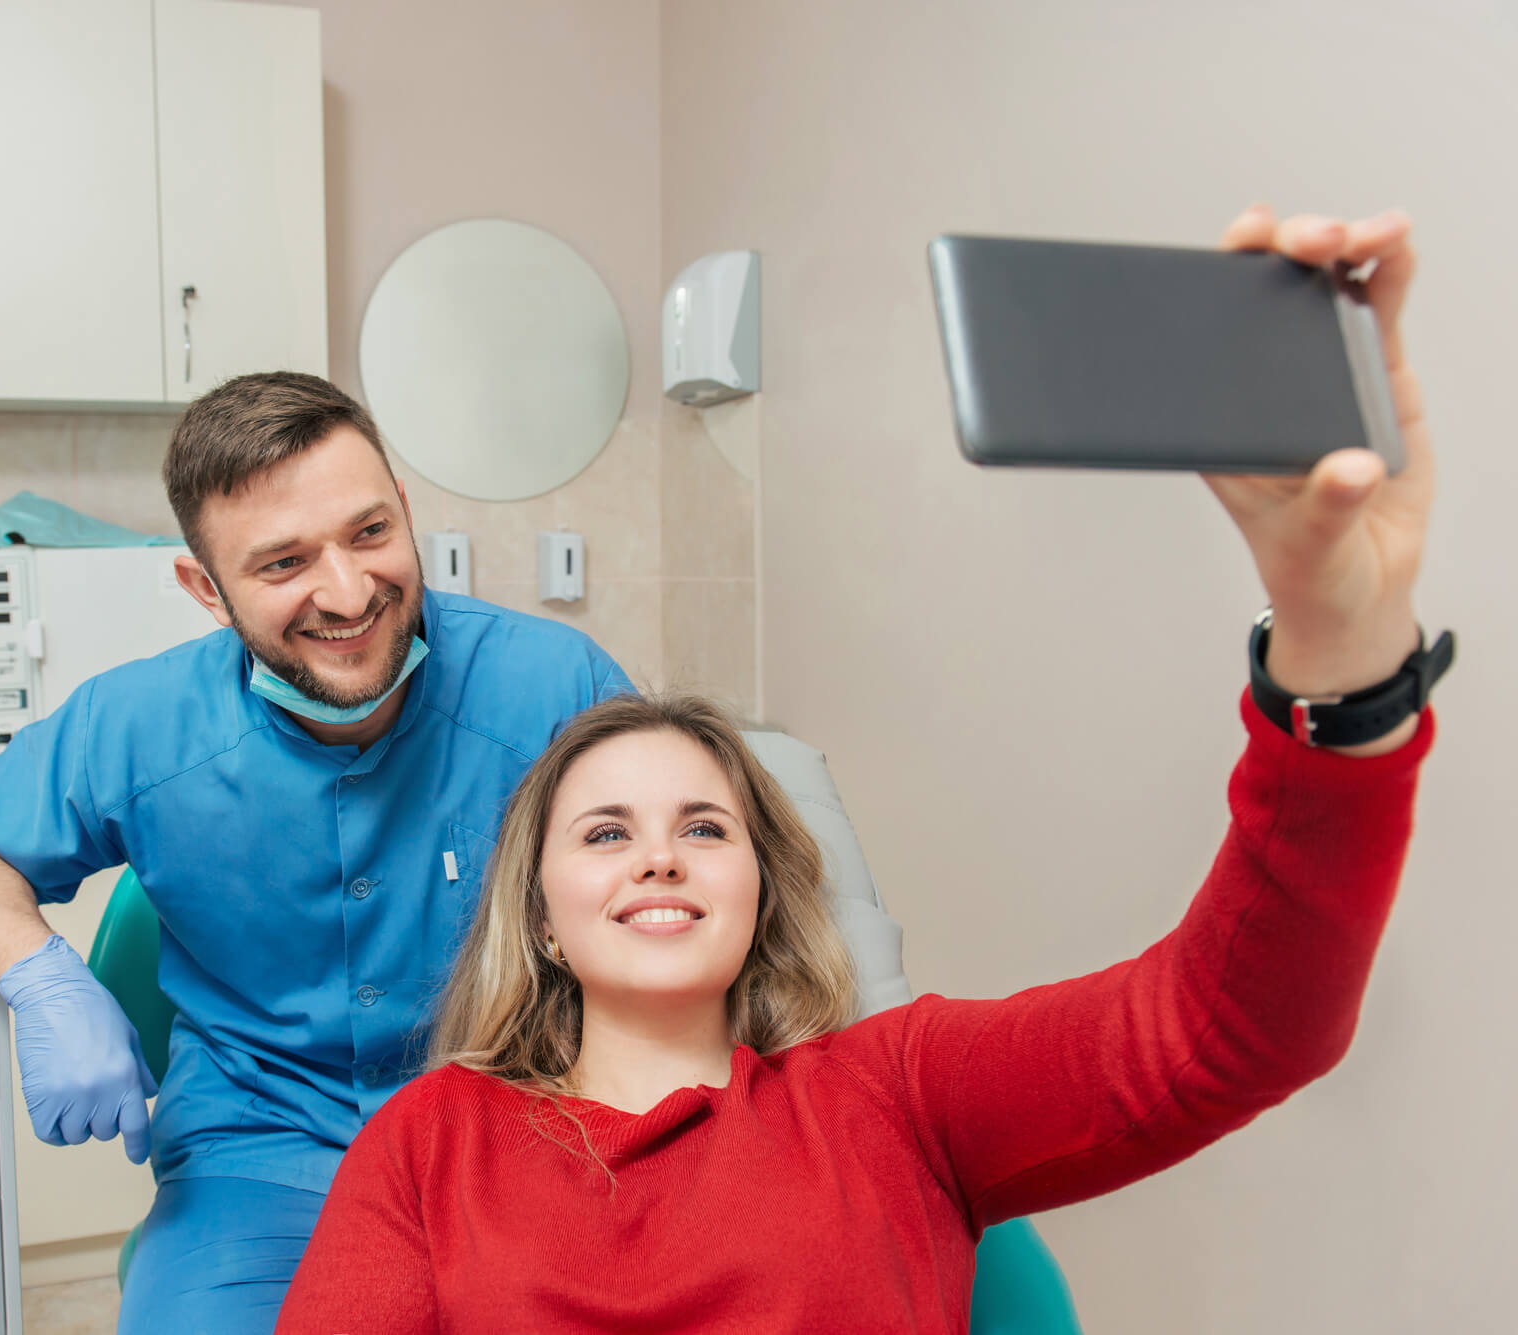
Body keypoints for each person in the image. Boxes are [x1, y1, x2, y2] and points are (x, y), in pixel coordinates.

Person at [274, 204, 1447, 1332]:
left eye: (703, 827)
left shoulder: (895, 1095)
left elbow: (1231, 1023)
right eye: (604, 833)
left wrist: (1339, 657)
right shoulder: (433, 1144)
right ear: (537, 918)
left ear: (761, 886)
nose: (659, 858)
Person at [0, 373, 630, 1332]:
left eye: (370, 533)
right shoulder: (142, 724)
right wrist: (41, 978)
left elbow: (684, 864)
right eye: (284, 563)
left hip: (525, 1128)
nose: (350, 591)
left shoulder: (555, 683)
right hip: (257, 1155)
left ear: (405, 511)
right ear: (207, 589)